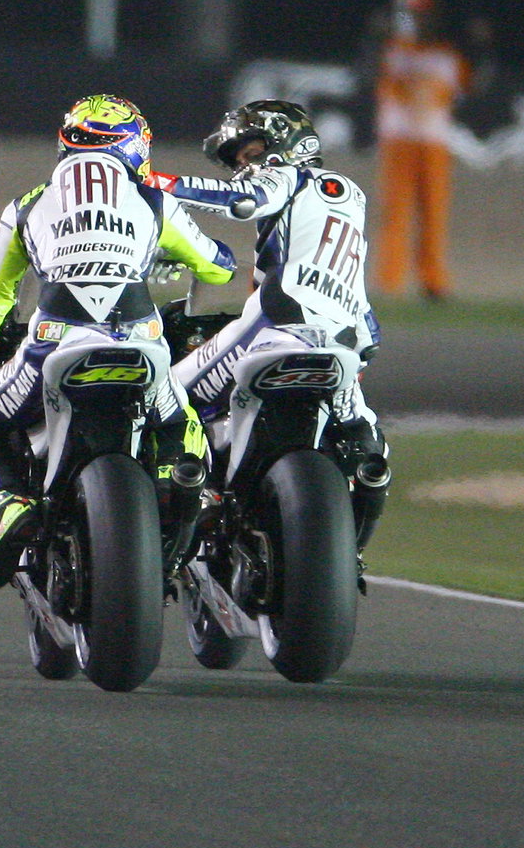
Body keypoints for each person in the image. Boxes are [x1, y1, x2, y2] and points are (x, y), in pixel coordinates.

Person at [0, 94, 238, 590]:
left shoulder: (27, 205)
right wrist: (163, 255)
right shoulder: (153, 197)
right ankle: (181, 487)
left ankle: (11, 505)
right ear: (135, 145)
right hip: (143, 341)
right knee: (183, 419)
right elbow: (218, 267)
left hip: (53, 344)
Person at [160, 99, 391, 552]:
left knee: (167, 395)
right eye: (239, 160)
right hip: (347, 337)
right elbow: (365, 317)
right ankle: (359, 518)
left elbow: (244, 201)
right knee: (367, 438)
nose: (245, 167)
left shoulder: (290, 175)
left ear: (285, 139)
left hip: (276, 323)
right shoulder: (350, 195)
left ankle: (198, 491)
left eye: (251, 153)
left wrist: (155, 184)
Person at [372, 0, 471, 302]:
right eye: (416, 14)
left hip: (433, 141)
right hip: (400, 142)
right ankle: (390, 281)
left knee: (433, 214)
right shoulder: (395, 49)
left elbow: (469, 86)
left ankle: (433, 280)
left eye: (424, 14)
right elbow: (370, 71)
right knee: (395, 212)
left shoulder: (447, 55)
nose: (420, 20)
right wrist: (375, 37)